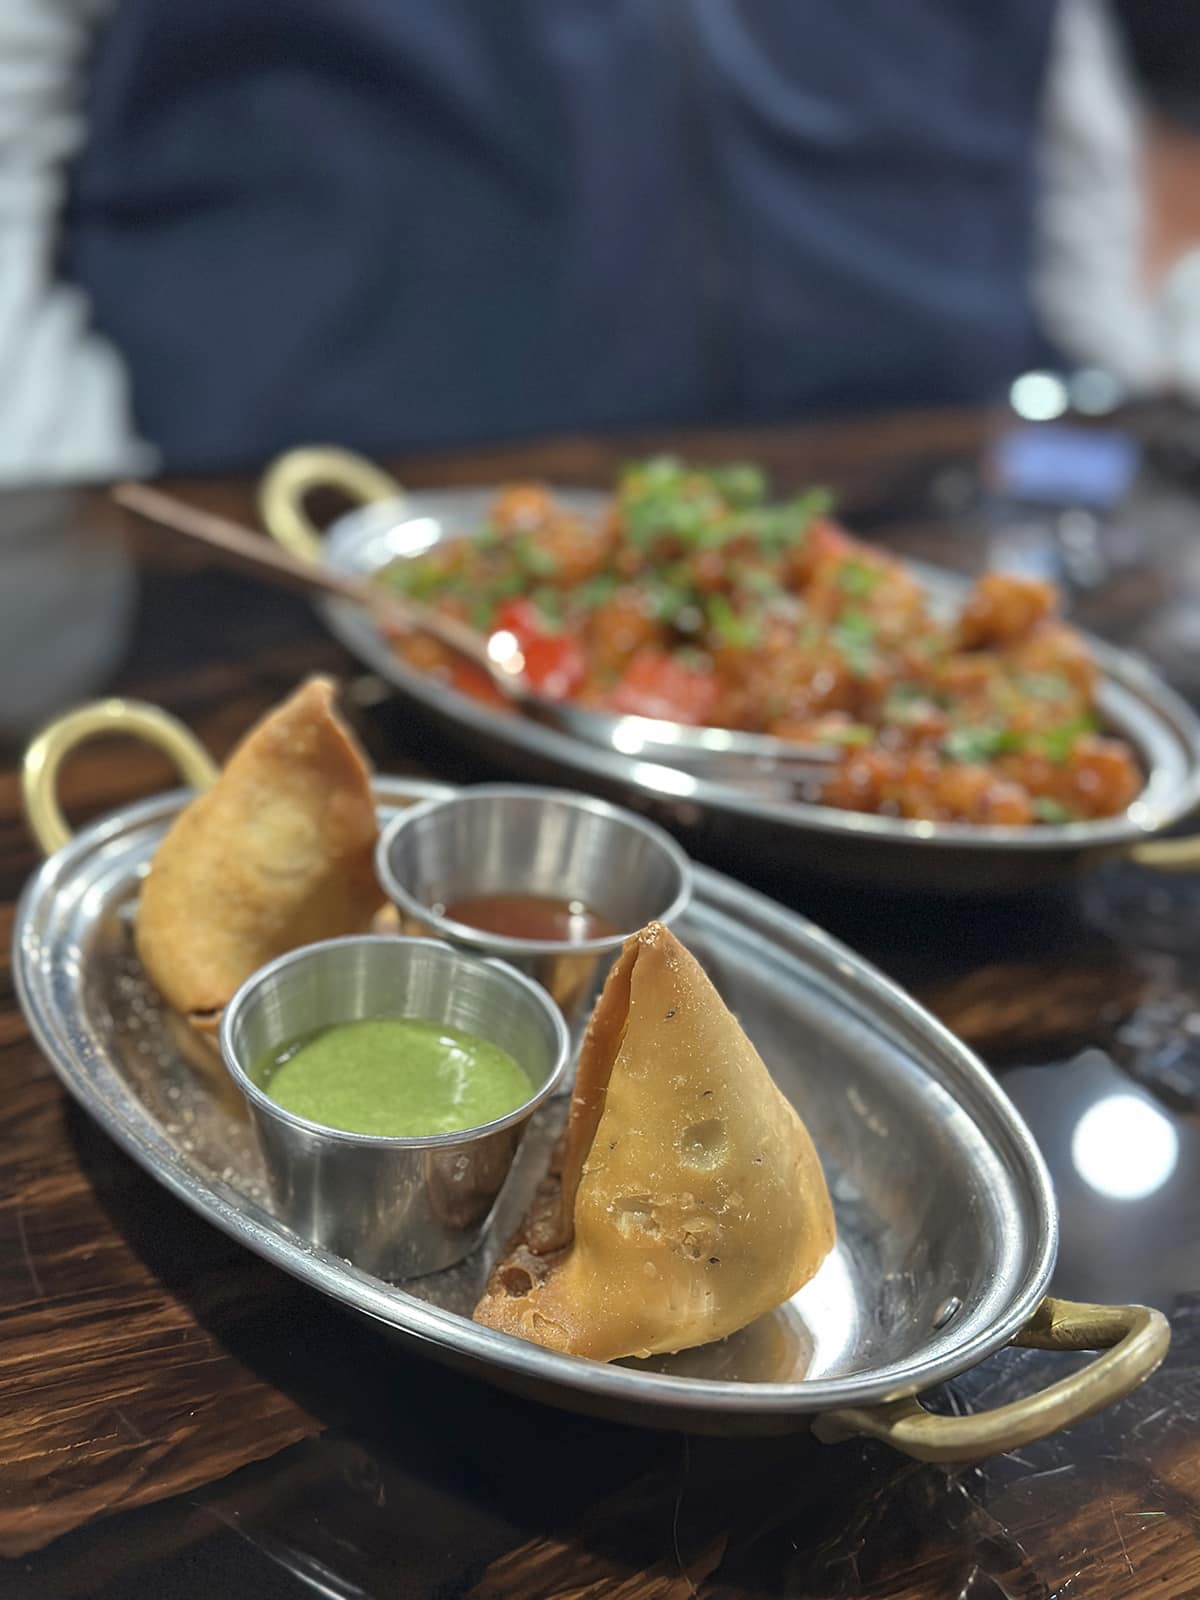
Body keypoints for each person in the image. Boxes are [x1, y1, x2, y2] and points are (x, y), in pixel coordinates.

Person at [0, 1, 1192, 485]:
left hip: (905, 523)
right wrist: (64, 499)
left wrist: (1104, 381)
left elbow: (1046, 87)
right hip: (296, 538)